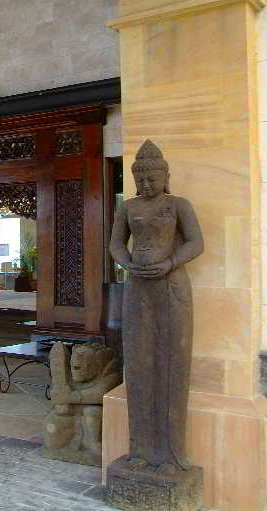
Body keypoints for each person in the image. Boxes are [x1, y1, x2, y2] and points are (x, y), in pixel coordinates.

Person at [109, 139, 204, 473]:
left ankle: (171, 455)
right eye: (141, 179)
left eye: (152, 178)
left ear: (166, 177)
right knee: (138, 364)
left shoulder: (178, 205)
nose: (146, 184)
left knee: (171, 364)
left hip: (171, 287)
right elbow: (116, 244)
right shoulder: (128, 207)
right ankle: (139, 450)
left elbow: (196, 242)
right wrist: (128, 264)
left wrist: (171, 263)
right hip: (138, 288)